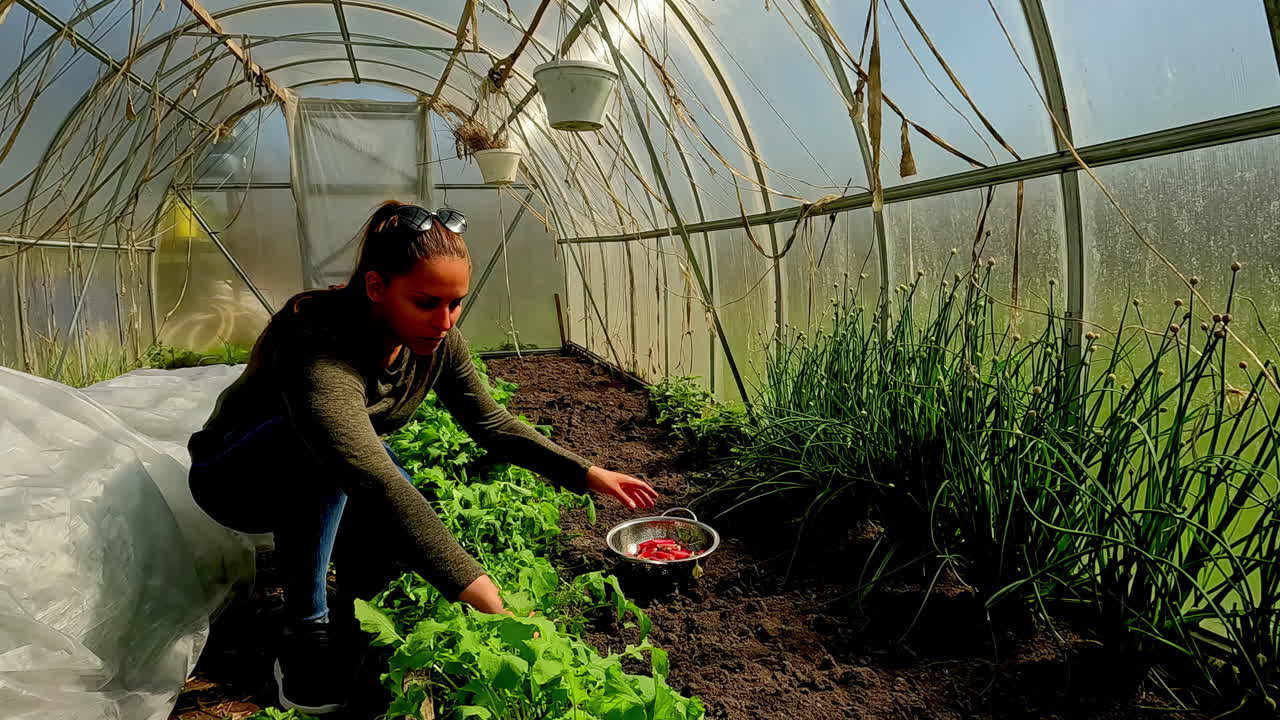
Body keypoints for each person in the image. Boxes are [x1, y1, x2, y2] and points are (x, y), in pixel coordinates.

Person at [187, 201, 658, 714]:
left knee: (386, 500)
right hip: (232, 479)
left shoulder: (437, 340)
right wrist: (475, 586)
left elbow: (490, 423)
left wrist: (586, 472)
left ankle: (352, 619)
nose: (445, 321)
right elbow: (372, 478)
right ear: (375, 288)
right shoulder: (315, 345)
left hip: (323, 473)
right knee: (353, 468)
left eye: (456, 303)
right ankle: (305, 632)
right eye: (427, 302)